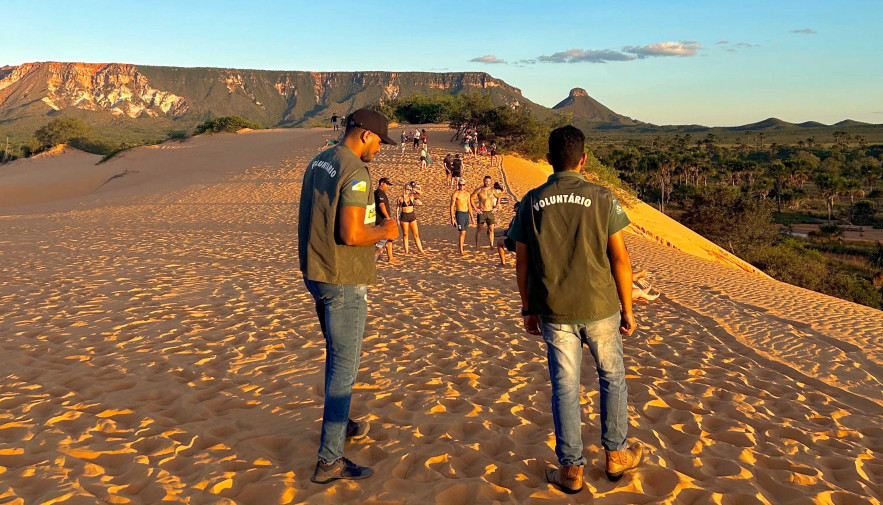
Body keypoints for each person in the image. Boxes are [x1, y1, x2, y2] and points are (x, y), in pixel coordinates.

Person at [507, 125, 641, 494]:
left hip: (553, 309)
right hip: (600, 308)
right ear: (583, 159)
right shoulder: (602, 198)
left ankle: (571, 469)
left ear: (548, 159)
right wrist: (627, 308)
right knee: (612, 379)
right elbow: (620, 258)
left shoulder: (532, 200)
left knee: (564, 387)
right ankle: (616, 454)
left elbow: (522, 263)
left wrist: (527, 308)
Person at [298, 109, 399, 484]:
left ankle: (343, 424)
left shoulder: (319, 159)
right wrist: (386, 230)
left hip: (318, 273)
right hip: (343, 280)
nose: (378, 151)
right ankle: (330, 461)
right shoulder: (355, 170)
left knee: (337, 358)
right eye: (378, 143)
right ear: (366, 135)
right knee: (345, 368)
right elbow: (352, 234)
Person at [397, 181, 425, 254]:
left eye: (409, 189)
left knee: (416, 234)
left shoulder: (412, 196)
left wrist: (414, 189)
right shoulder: (400, 198)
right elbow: (397, 208)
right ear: (404, 189)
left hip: (411, 215)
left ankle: (421, 250)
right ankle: (406, 251)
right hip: (404, 216)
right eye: (407, 189)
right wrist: (397, 218)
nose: (408, 191)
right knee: (405, 234)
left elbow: (421, 193)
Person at [471, 175, 497, 249]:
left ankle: (491, 245)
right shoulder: (479, 190)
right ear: (483, 181)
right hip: (482, 212)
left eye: (489, 181)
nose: (487, 183)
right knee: (479, 229)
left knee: (491, 229)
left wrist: (496, 207)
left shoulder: (492, 190)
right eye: (486, 181)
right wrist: (475, 208)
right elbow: (471, 198)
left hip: (490, 212)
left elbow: (499, 197)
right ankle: (477, 245)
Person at [450, 179, 474, 255]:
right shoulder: (455, 194)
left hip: (466, 213)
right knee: (462, 232)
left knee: (464, 232)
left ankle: (460, 247)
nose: (461, 186)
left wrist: (472, 217)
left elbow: (469, 206)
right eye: (460, 185)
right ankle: (461, 249)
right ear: (458, 185)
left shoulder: (467, 194)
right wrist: (452, 218)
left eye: (463, 185)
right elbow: (451, 206)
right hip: (459, 213)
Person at [374, 177, 395, 262]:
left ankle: (390, 257)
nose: (388, 187)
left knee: (388, 237)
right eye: (387, 185)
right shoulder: (380, 193)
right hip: (381, 220)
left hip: (381, 220)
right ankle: (376, 257)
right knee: (380, 243)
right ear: (382, 183)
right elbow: (382, 206)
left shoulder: (377, 192)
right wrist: (388, 218)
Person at [494, 201, 519, 265]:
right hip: (526, 243)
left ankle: (503, 263)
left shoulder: (516, 219)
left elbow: (510, 230)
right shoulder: (528, 218)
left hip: (516, 242)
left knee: (499, 242)